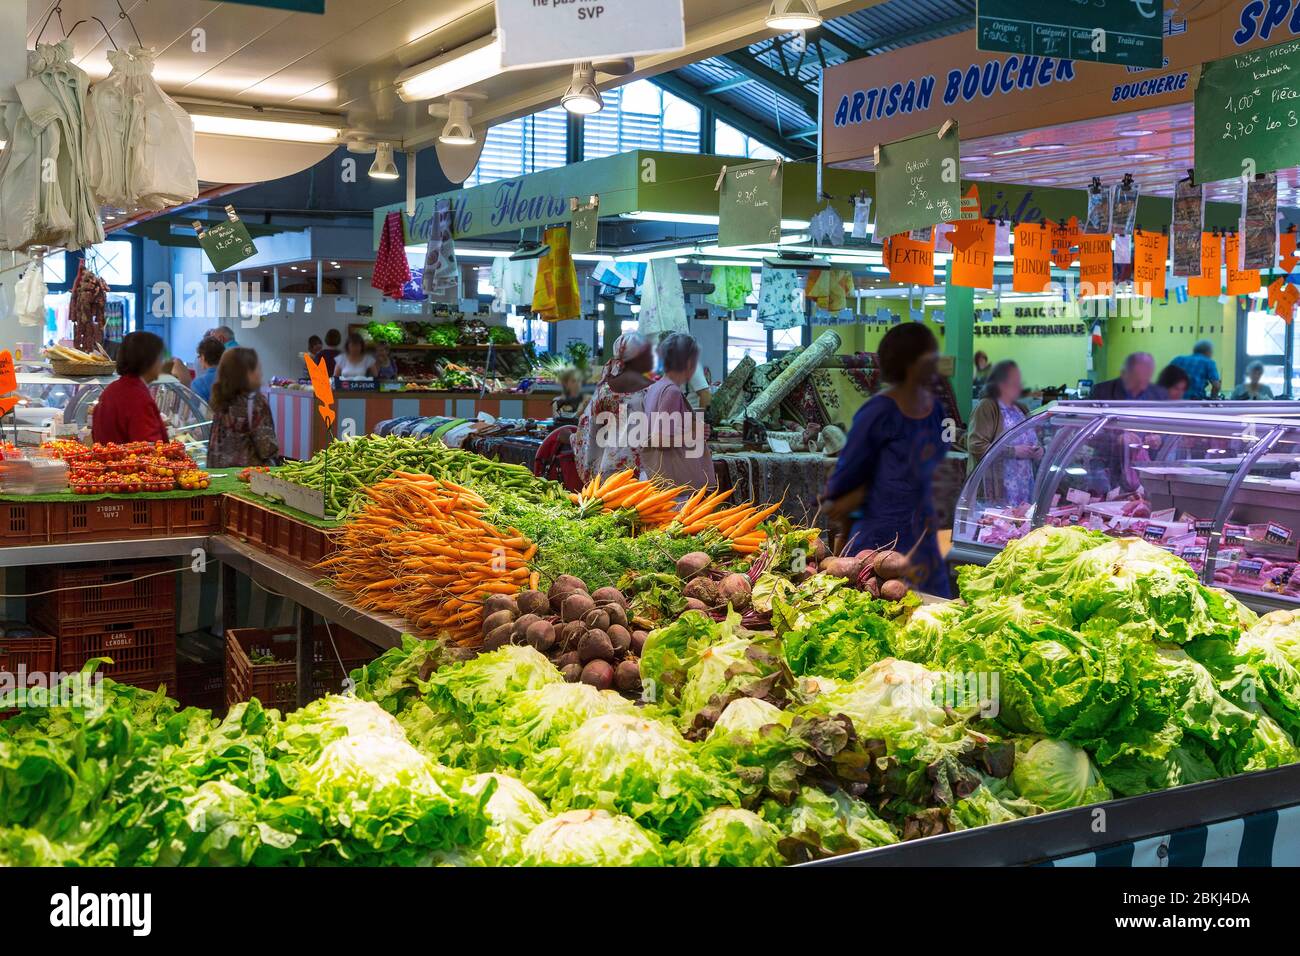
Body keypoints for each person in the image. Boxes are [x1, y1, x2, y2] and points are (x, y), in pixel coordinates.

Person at [823, 322, 952, 597]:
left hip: (919, 530)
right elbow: (847, 476)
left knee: (923, 606)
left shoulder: (935, 411)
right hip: (880, 533)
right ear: (908, 363)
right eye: (928, 356)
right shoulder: (879, 412)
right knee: (873, 599)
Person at [573, 332, 653, 483]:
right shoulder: (650, 389)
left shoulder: (604, 389)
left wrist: (571, 438)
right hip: (642, 469)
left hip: (608, 466)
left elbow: (588, 427)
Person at [642, 332, 714, 490]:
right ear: (689, 362)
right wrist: (694, 435)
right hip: (673, 483)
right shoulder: (671, 391)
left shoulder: (656, 387)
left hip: (660, 477)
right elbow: (658, 440)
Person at [966, 360, 1040, 506]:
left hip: (1024, 486)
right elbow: (976, 445)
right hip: (997, 489)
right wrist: (1013, 452)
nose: (1019, 386)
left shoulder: (1021, 408)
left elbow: (1034, 437)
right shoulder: (987, 406)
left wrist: (1039, 450)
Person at [91, 331, 169, 444]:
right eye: (160, 358)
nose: (162, 363)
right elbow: (148, 448)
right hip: (129, 461)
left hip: (111, 460)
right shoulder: (137, 397)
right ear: (149, 360)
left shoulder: (111, 390)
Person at [207, 347, 279, 468]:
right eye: (257, 368)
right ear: (246, 373)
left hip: (219, 474)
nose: (260, 373)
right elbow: (266, 448)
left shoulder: (220, 399)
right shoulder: (256, 403)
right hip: (248, 476)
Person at [1090, 352, 1165, 400]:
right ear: (1124, 373)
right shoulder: (1101, 391)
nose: (1141, 383)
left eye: (1147, 377)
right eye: (1137, 378)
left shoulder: (1159, 394)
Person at [189, 336, 224, 403]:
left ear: (203, 357)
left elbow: (197, 412)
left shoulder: (199, 384)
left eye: (199, 356)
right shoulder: (234, 377)